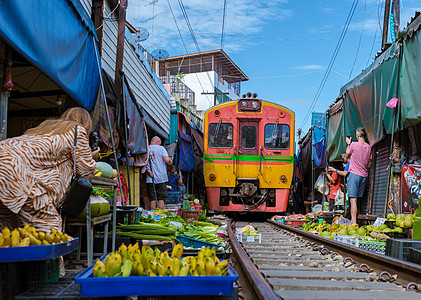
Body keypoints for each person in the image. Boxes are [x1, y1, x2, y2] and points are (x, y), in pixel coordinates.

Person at [0, 107, 99, 233]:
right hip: (16, 173)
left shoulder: (45, 127)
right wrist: (92, 156)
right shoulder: (77, 131)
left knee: (8, 230)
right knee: (51, 230)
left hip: (5, 165)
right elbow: (86, 170)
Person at [344, 127, 372, 224]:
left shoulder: (353, 145)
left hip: (354, 175)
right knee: (357, 200)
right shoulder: (368, 147)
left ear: (358, 135)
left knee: (353, 199)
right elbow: (369, 164)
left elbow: (346, 157)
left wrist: (348, 144)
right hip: (364, 176)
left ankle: (354, 222)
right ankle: (356, 221)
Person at [146, 136, 173, 210]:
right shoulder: (161, 148)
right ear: (158, 142)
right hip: (161, 178)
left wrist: (148, 171)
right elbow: (166, 159)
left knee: (152, 198)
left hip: (150, 178)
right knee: (161, 198)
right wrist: (170, 161)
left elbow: (143, 163)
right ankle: (160, 216)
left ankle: (152, 216)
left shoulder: (146, 149)